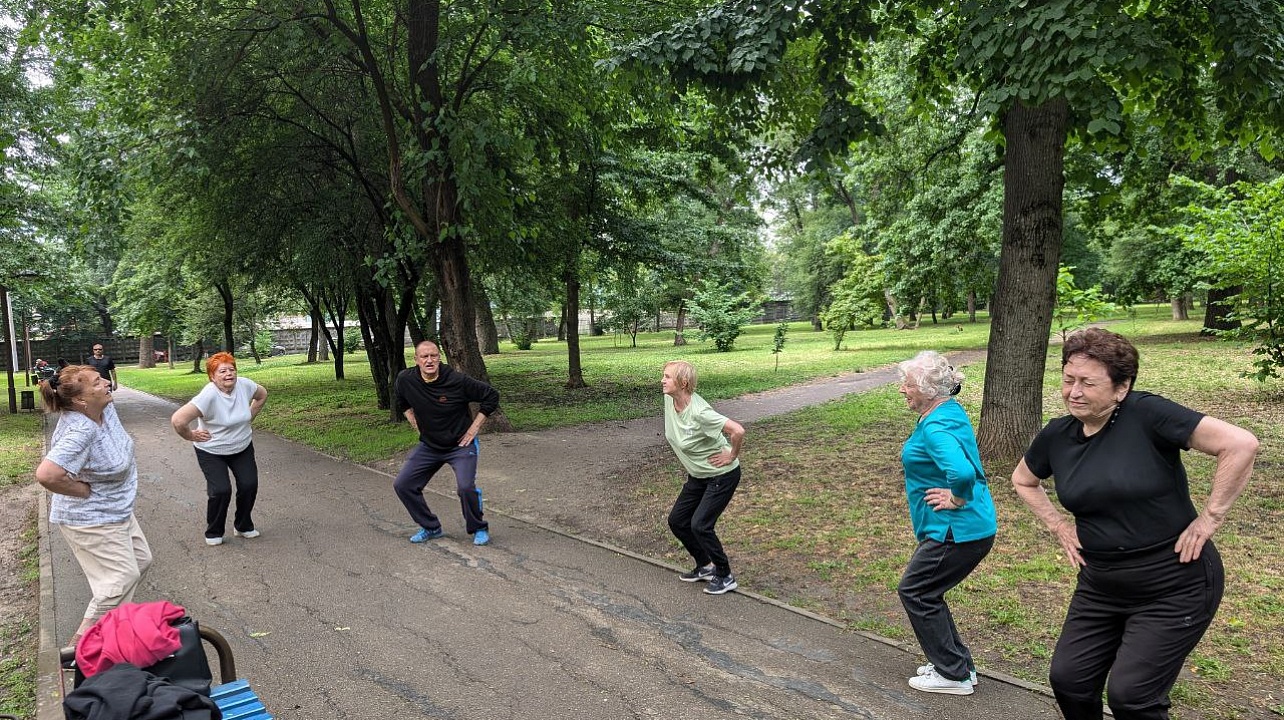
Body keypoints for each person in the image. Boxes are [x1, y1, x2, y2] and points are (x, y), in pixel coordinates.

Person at [1011, 328, 1258, 720]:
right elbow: (1023, 480)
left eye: (1088, 383)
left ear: (1121, 388)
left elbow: (1240, 444)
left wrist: (1210, 518)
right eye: (1068, 379)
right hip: (1100, 584)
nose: (1074, 392)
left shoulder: (1146, 414)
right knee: (1069, 681)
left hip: (1175, 583)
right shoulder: (1058, 434)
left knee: (1132, 696)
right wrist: (1058, 525)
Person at [895, 351, 996, 696]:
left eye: (908, 384)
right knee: (928, 592)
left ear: (927, 390)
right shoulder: (947, 411)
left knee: (916, 591)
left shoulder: (936, 426)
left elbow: (962, 473)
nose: (902, 389)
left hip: (955, 531)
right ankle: (958, 666)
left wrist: (957, 498)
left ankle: (953, 674)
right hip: (966, 528)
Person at [35, 365, 152, 648]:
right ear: (80, 400)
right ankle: (78, 650)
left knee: (140, 561)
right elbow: (47, 474)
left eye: (102, 378)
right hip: (90, 518)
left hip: (116, 508)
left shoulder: (104, 410)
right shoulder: (80, 430)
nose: (106, 384)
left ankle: (113, 633)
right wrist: (81, 490)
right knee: (119, 580)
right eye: (97, 383)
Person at [394, 339, 498, 546]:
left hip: (460, 445)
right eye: (424, 356)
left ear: (439, 357)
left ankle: (478, 527)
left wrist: (474, 429)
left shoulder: (457, 380)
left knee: (466, 488)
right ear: (416, 360)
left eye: (433, 356)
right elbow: (401, 400)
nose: (429, 360)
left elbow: (491, 396)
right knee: (403, 485)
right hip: (429, 445)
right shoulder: (406, 379)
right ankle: (431, 527)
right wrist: (414, 421)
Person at [661, 360, 745, 596]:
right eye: (663, 375)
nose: (662, 380)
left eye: (667, 377)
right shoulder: (670, 399)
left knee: (700, 525)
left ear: (683, 383)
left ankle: (725, 575)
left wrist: (731, 455)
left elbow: (738, 430)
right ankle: (705, 566)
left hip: (722, 476)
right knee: (678, 521)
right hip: (698, 476)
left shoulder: (700, 413)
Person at [169, 352, 268, 546]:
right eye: (222, 371)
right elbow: (178, 420)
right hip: (212, 450)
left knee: (249, 485)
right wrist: (191, 435)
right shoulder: (209, 395)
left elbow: (262, 395)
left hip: (241, 446)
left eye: (232, 369)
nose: (229, 374)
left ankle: (243, 526)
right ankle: (214, 531)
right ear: (212, 377)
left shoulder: (245, 385)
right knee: (221, 490)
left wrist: (249, 416)